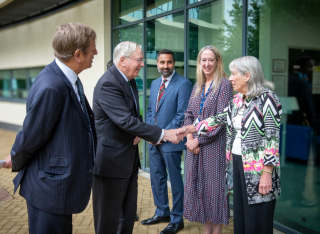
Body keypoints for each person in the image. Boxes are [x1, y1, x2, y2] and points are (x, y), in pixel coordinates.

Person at [2, 22, 98, 234]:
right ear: (78, 54)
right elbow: (31, 136)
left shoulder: (65, 78)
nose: (96, 52)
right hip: (49, 190)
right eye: (93, 48)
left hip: (58, 188)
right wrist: (15, 157)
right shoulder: (52, 86)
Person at [176, 56, 282, 234]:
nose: (230, 78)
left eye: (234, 74)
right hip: (239, 164)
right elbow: (217, 119)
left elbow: (273, 139)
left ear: (247, 76)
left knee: (258, 219)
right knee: (241, 215)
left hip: (259, 169)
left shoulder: (268, 98)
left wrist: (267, 172)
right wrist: (188, 129)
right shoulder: (239, 99)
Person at [92, 41, 181, 234]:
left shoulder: (129, 80)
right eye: (139, 60)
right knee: (109, 221)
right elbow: (125, 120)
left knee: (127, 216)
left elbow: (135, 114)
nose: (142, 64)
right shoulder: (108, 83)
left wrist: (138, 131)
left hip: (129, 161)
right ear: (123, 60)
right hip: (111, 164)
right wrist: (162, 134)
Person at [180, 45, 233, 234]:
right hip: (194, 147)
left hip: (214, 148)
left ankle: (216, 232)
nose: (207, 64)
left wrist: (197, 141)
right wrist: (189, 137)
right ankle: (207, 231)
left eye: (211, 60)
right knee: (201, 191)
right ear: (199, 62)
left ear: (218, 61)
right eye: (204, 60)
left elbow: (221, 120)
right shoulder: (198, 85)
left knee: (215, 192)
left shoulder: (224, 84)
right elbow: (188, 114)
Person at [141, 49, 193, 234]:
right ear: (157, 63)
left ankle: (177, 218)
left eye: (169, 62)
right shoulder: (155, 83)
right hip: (154, 140)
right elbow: (149, 111)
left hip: (172, 140)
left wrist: (161, 134)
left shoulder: (184, 84)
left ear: (174, 63)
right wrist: (151, 133)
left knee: (175, 181)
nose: (165, 66)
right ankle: (162, 211)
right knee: (157, 178)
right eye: (162, 62)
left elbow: (182, 114)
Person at [106, 58, 140, 222]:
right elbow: (120, 121)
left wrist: (139, 132)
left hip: (132, 151)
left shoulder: (132, 83)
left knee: (129, 198)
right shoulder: (108, 87)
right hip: (117, 154)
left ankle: (127, 214)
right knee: (115, 201)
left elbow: (135, 113)